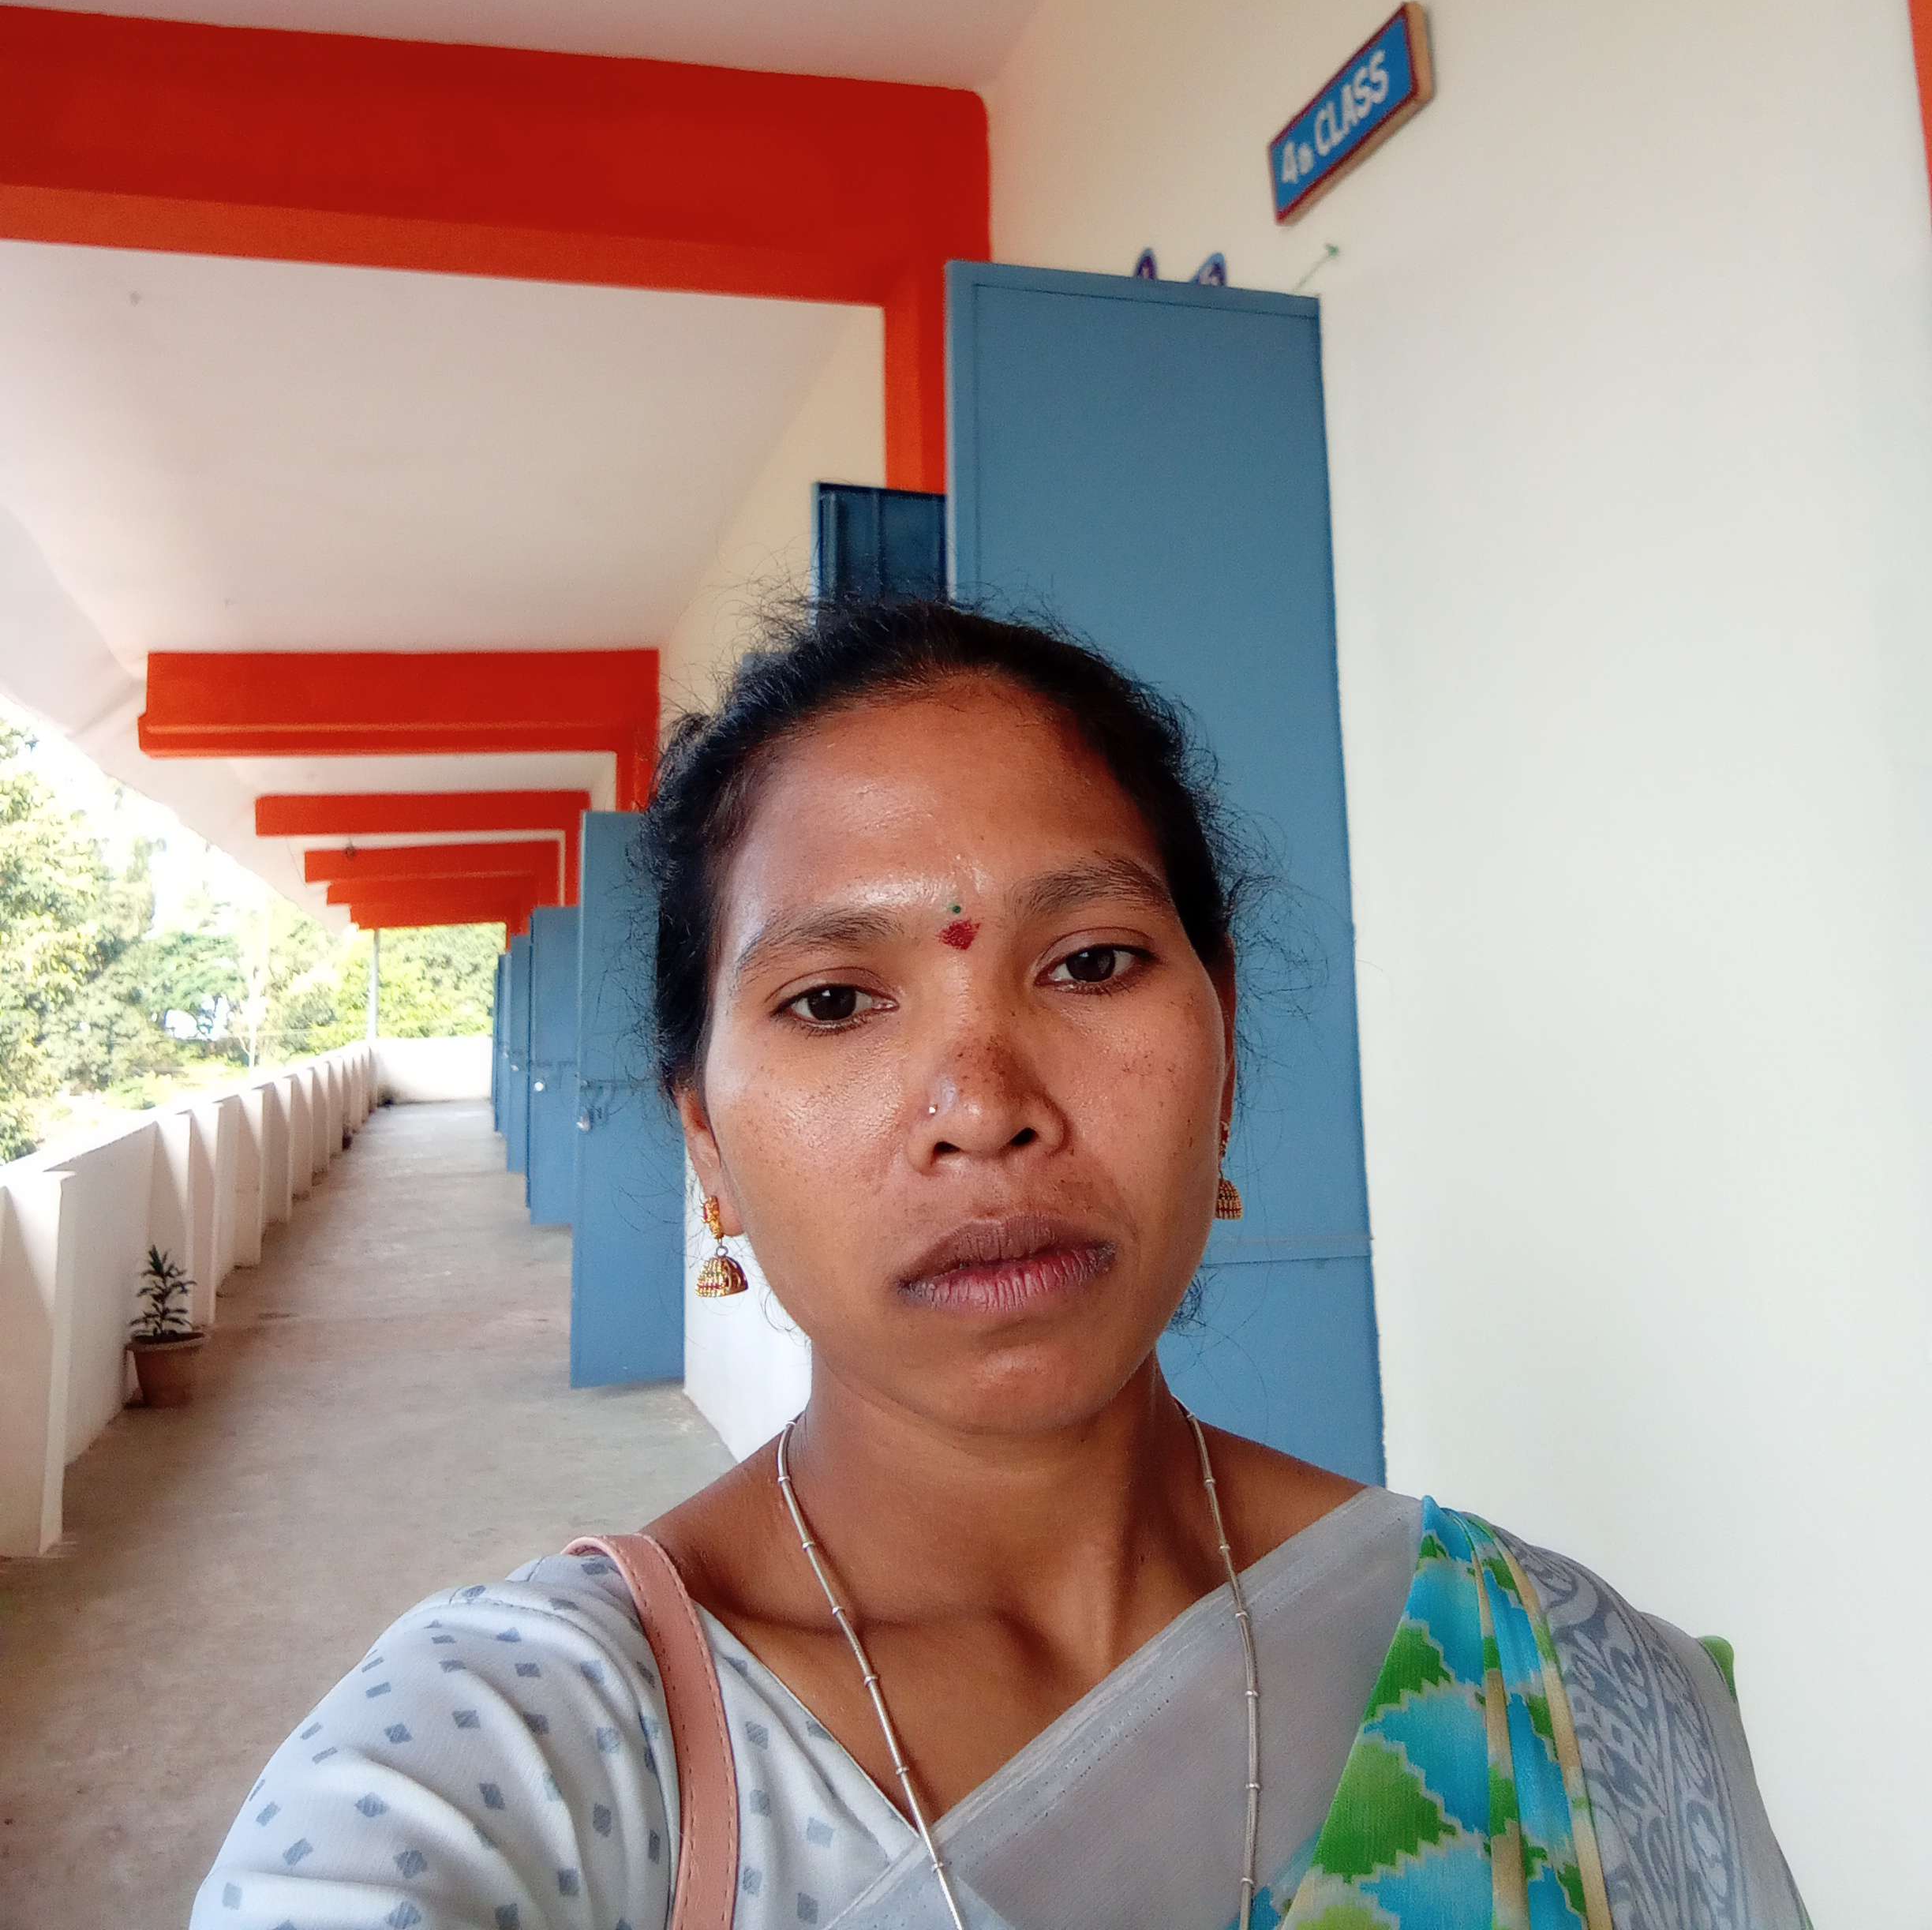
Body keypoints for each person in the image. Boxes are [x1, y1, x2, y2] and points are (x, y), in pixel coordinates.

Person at [194, 598, 1806, 1930]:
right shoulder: (521, 1758)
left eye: (1092, 963)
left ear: (1225, 1054)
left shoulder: (1560, 1684)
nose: (985, 1108)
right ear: (707, 1142)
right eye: (834, 1000)